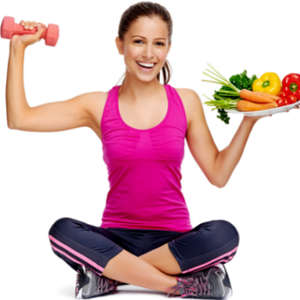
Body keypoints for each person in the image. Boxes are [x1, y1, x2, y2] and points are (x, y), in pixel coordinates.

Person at [7, 1, 277, 299]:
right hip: (114, 240)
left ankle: (110, 276)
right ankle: (177, 284)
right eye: (138, 42)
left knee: (226, 235)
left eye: (158, 43)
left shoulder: (186, 102)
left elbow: (218, 173)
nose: (149, 54)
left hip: (174, 243)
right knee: (61, 232)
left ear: (168, 48)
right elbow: (21, 118)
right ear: (120, 45)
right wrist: (18, 49)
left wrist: (249, 122)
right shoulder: (97, 105)